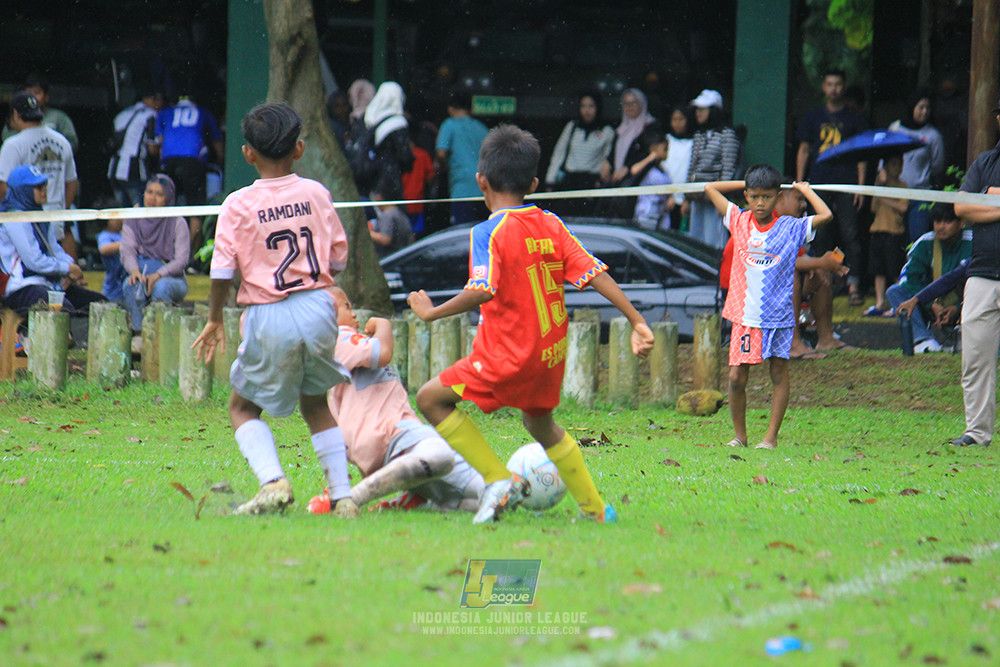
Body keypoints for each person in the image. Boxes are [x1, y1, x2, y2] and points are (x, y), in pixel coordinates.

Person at [408, 124, 655, 524]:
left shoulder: (487, 231)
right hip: (549, 354)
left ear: (480, 181)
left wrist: (432, 312)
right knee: (539, 423)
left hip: (508, 354)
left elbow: (483, 289)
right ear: (535, 183)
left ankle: (498, 478)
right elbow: (595, 273)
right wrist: (637, 320)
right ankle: (595, 510)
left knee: (430, 399)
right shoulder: (550, 224)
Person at [191, 102, 357, 518]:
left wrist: (214, 317)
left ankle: (273, 483)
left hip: (270, 312)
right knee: (317, 403)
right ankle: (343, 498)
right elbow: (337, 259)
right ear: (298, 149)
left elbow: (222, 271)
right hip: (320, 307)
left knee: (242, 407)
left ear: (248, 153)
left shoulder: (238, 204)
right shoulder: (316, 194)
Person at [307, 287, 484, 514]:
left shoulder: (346, 348)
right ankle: (349, 498)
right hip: (395, 432)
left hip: (381, 444)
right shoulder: (336, 338)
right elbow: (383, 352)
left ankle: (414, 499)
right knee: (442, 457)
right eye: (346, 307)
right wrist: (383, 325)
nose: (354, 314)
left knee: (486, 499)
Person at [704, 166, 832, 450]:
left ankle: (770, 438)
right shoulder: (738, 220)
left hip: (779, 317)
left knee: (778, 374)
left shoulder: (790, 227)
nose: (760, 203)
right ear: (746, 196)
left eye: (767, 196)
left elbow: (826, 216)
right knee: (737, 377)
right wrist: (746, 182)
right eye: (754, 196)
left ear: (777, 197)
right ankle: (740, 436)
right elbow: (710, 189)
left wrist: (806, 191)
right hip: (744, 316)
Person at [946, 98, 1000, 446]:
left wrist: (993, 201)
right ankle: (977, 432)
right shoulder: (986, 162)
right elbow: (962, 206)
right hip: (982, 273)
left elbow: (978, 205)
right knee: (976, 355)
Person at [796, 70, 868, 306]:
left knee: (850, 234)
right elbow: (804, 150)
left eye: (838, 84)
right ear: (823, 87)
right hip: (818, 182)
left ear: (844, 86)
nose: (834, 88)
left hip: (846, 182)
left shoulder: (854, 118)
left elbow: (860, 154)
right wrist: (800, 185)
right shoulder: (813, 116)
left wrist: (860, 186)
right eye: (830, 84)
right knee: (820, 235)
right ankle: (822, 281)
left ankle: (853, 284)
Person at [0, 165, 104, 323]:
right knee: (63, 310)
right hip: (21, 287)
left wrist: (68, 267)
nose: (44, 190)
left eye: (44, 185)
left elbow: (55, 249)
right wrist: (67, 268)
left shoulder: (39, 213)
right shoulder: (14, 218)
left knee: (100, 303)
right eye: (38, 187)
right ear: (23, 191)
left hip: (48, 283)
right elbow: (34, 260)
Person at [0, 91, 79, 259]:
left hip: (24, 225)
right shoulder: (62, 142)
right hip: (56, 220)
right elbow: (72, 183)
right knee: (58, 270)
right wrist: (62, 210)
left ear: (15, 114)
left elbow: (3, 187)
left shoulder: (12, 145)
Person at [886, 203, 971, 354]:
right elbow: (907, 278)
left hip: (966, 304)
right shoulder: (925, 243)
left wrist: (957, 308)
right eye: (937, 222)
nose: (941, 227)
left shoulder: (973, 242)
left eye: (947, 221)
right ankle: (924, 341)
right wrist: (930, 304)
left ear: (961, 223)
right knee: (895, 291)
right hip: (928, 304)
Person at [120, 175, 190, 342]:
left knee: (161, 288)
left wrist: (159, 274)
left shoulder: (178, 222)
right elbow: (127, 249)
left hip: (172, 278)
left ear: (168, 198)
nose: (152, 198)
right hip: (141, 273)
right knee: (130, 285)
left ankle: (161, 338)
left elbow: (181, 260)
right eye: (149, 192)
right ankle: (138, 335)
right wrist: (134, 270)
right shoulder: (133, 217)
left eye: (159, 194)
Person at [154, 95, 224, 251]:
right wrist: (220, 159)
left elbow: (158, 141)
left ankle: (166, 252)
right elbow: (216, 140)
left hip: (168, 162)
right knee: (196, 210)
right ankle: (190, 256)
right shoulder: (202, 111)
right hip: (192, 162)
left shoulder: (166, 112)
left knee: (166, 209)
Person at [543, 91, 615, 217]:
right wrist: (550, 180)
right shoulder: (572, 127)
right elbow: (558, 154)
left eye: (591, 106)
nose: (587, 110)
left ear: (598, 108)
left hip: (591, 183)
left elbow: (607, 159)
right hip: (570, 181)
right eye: (583, 106)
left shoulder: (607, 131)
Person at [888, 89, 946, 242]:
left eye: (928, 108)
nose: (924, 111)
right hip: (895, 192)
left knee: (917, 238)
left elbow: (937, 166)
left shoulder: (933, 135)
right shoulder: (896, 129)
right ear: (912, 107)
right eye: (921, 107)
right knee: (893, 238)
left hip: (920, 194)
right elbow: (884, 155)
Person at [687, 90, 741, 249]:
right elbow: (692, 166)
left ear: (714, 111)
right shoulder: (699, 135)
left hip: (714, 198)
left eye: (703, 109)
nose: (699, 113)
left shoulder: (727, 134)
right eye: (697, 109)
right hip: (697, 196)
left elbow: (728, 168)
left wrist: (722, 200)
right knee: (695, 240)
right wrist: (686, 197)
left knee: (713, 241)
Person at [864, 153, 909, 317]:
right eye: (894, 164)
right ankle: (880, 301)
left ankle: (896, 302)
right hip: (878, 230)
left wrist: (883, 196)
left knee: (894, 269)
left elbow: (903, 207)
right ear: (885, 167)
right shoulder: (879, 186)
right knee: (878, 269)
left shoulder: (902, 186)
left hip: (894, 232)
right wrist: (879, 188)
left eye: (900, 164)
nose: (898, 168)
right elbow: (873, 208)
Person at [435, 91, 489, 225]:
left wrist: (442, 166)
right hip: (484, 189)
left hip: (462, 189)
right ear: (471, 109)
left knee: (461, 232)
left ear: (450, 108)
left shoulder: (449, 124)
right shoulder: (481, 128)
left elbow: (441, 153)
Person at [108, 90, 164, 207]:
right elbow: (152, 149)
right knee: (139, 210)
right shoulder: (150, 115)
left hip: (114, 168)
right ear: (152, 99)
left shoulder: (123, 113)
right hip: (134, 169)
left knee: (120, 211)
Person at [362, 81, 414, 202]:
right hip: (391, 181)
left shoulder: (370, 119)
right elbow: (405, 156)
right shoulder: (398, 122)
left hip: (371, 179)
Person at [2, 73, 79, 151]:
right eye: (28, 93)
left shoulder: (59, 117)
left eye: (37, 93)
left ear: (46, 96)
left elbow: (71, 143)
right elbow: (7, 138)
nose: (32, 97)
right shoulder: (17, 116)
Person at [630, 125, 670, 231]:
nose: (667, 153)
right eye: (664, 149)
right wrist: (651, 156)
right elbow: (634, 170)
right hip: (647, 212)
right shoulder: (647, 168)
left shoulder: (664, 170)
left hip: (661, 213)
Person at [664, 106, 694, 231]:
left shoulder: (693, 142)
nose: (677, 123)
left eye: (681, 119)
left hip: (686, 200)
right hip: (668, 199)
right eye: (674, 119)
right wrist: (667, 195)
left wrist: (687, 199)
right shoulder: (667, 140)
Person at [369, 178, 414, 258]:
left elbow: (385, 239)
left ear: (379, 198)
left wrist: (368, 232)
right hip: (402, 256)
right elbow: (411, 237)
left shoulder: (388, 215)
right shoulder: (400, 213)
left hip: (389, 258)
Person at [97, 218, 127, 303]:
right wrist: (125, 244)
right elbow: (103, 249)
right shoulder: (105, 235)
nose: (121, 220)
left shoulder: (121, 234)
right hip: (113, 290)